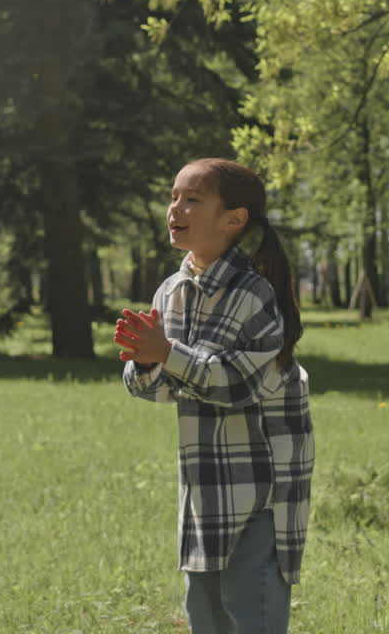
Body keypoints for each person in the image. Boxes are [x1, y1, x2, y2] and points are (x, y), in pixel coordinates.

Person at [114, 158, 314, 634]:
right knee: (204, 609)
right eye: (173, 197)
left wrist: (167, 353)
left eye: (192, 199)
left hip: (260, 486)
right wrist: (145, 361)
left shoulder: (253, 294)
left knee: (250, 607)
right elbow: (157, 388)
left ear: (234, 219)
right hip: (204, 484)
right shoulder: (171, 292)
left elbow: (239, 385)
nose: (175, 208)